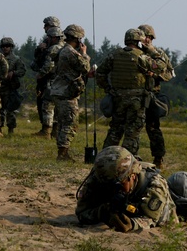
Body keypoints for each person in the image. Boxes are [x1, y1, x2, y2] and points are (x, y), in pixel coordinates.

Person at [75, 146, 178, 232]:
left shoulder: (154, 184)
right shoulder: (98, 178)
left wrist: (131, 224)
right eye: (107, 185)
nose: (111, 189)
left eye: (117, 184)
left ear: (132, 175)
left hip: (160, 212)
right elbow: (82, 213)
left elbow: (150, 218)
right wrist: (103, 212)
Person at [94, 28, 155, 159]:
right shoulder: (142, 57)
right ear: (139, 42)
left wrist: (108, 88)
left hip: (117, 98)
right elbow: (160, 68)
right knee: (132, 131)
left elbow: (100, 72)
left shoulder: (114, 55)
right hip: (137, 100)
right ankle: (128, 159)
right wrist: (151, 50)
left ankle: (105, 157)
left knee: (115, 128)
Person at [48, 24, 91, 161]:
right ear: (78, 39)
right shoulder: (71, 52)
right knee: (70, 123)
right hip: (67, 93)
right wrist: (84, 54)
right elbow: (85, 67)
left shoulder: (61, 51)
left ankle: (62, 151)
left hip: (59, 90)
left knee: (62, 123)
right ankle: (63, 154)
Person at [138, 24, 174, 169]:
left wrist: (156, 74)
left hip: (152, 94)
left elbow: (169, 73)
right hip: (135, 93)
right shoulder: (134, 51)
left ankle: (158, 158)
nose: (146, 39)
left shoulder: (159, 53)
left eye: (148, 37)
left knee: (153, 128)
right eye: (143, 36)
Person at [32, 22, 64, 137]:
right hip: (59, 80)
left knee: (47, 105)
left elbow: (48, 64)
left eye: (50, 37)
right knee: (55, 106)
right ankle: (55, 131)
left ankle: (46, 131)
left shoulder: (54, 48)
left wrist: (40, 74)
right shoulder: (64, 46)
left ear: (54, 37)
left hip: (51, 79)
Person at [0, 37, 27, 135]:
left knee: (11, 110)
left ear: (11, 47)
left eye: (7, 46)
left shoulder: (16, 59)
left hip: (10, 88)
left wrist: (13, 73)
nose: (5, 48)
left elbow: (22, 71)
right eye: (3, 46)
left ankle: (11, 130)